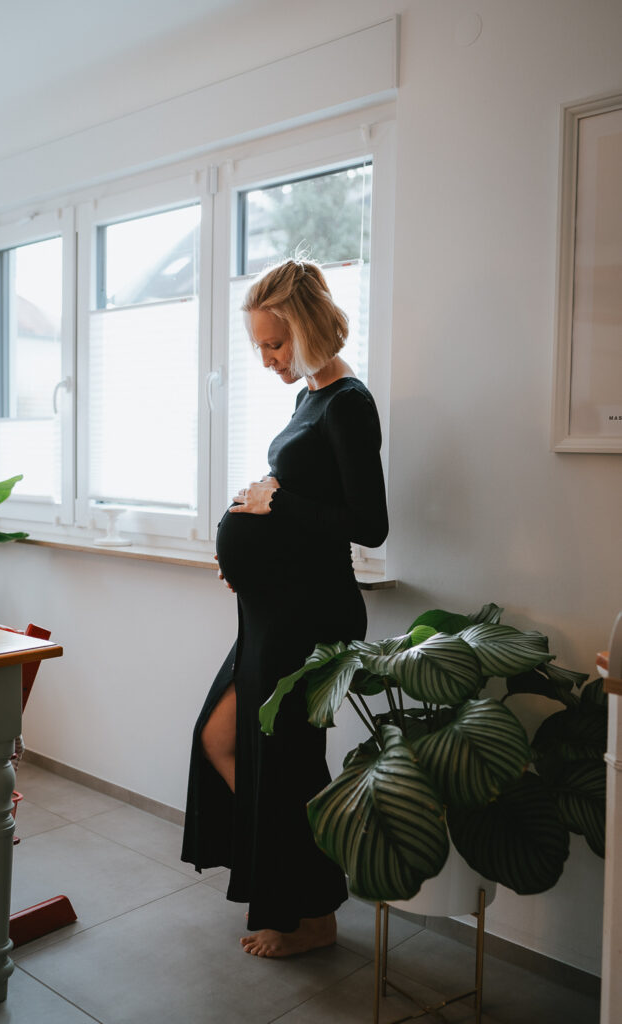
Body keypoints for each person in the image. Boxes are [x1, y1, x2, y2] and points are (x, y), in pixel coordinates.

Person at [181, 258, 388, 957]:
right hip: (273, 608)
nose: (266, 359)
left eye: (274, 343)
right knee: (221, 740)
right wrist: (251, 541)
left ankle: (315, 914)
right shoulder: (309, 397)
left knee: (290, 765)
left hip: (313, 615)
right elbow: (296, 499)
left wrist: (276, 504)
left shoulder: (349, 402)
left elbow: (369, 524)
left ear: (306, 330)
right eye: (260, 346)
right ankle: (285, 873)